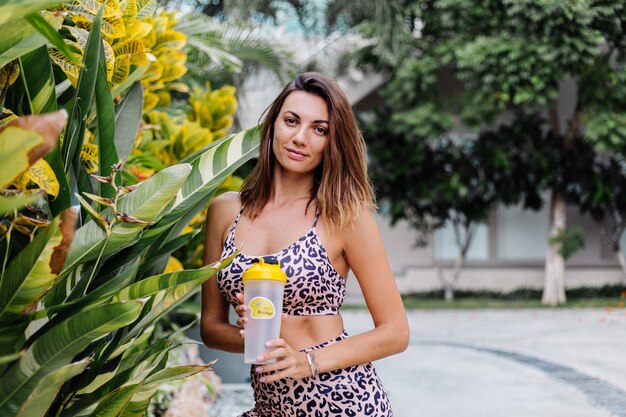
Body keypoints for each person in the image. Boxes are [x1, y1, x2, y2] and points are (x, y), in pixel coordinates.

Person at [201, 72, 409, 416]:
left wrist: (305, 361)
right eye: (291, 121)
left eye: (319, 129)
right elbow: (210, 328)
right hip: (270, 405)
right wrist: (254, 334)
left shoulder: (344, 216)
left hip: (341, 400)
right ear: (272, 126)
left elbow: (395, 332)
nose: (300, 138)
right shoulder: (225, 210)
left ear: (332, 141)